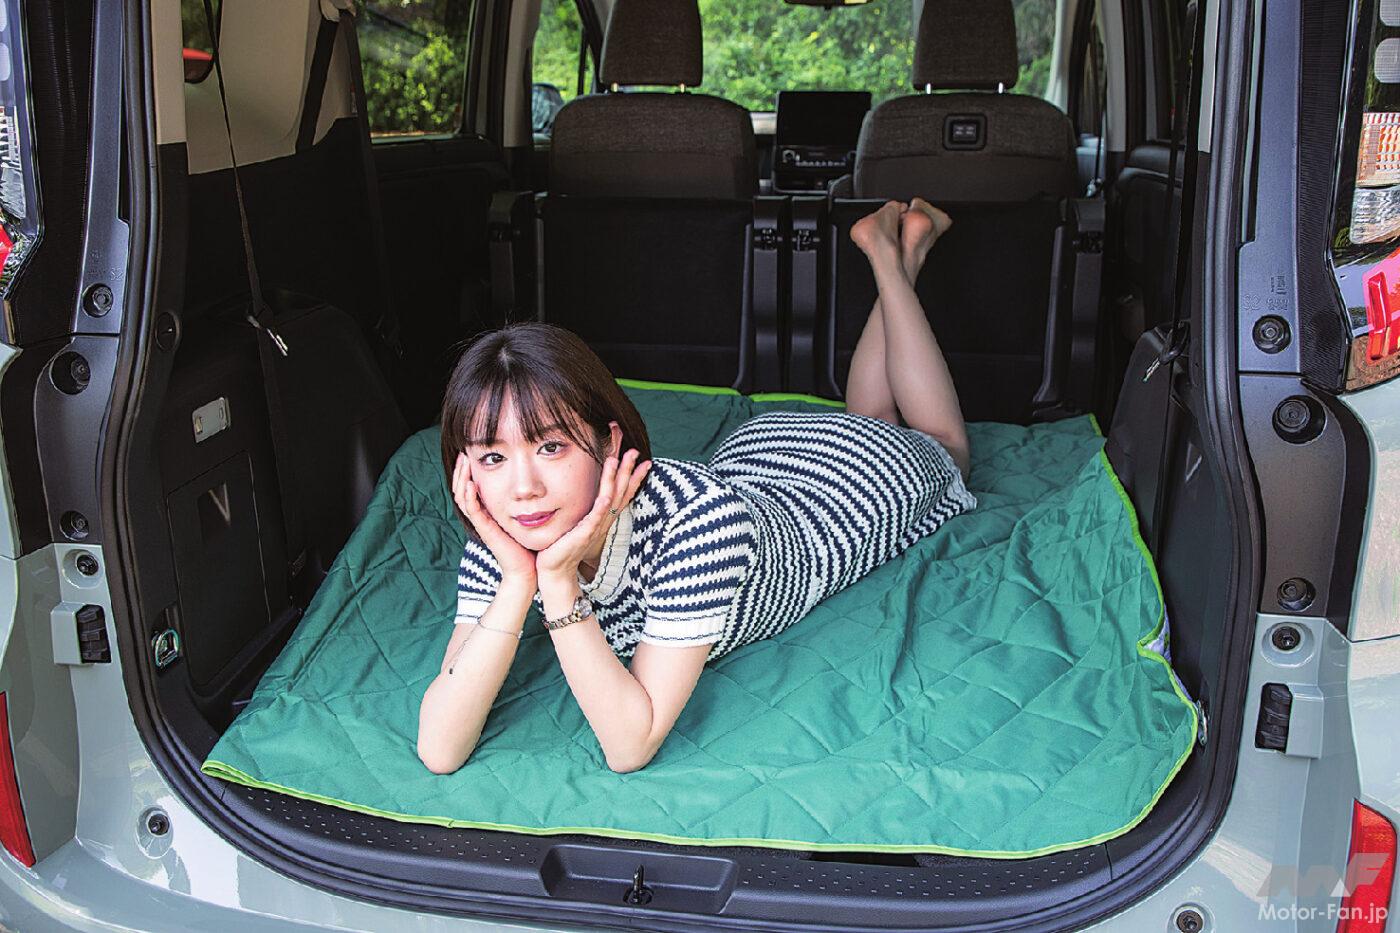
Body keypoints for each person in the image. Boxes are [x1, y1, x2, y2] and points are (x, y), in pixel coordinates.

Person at [417, 198, 976, 776]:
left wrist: (556, 584)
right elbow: (439, 748)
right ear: (466, 469)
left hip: (844, 483)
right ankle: (897, 252)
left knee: (945, 446)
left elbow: (629, 746)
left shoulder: (700, 525)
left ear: (609, 443)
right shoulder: (506, 532)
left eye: (551, 447)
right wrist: (518, 579)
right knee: (871, 413)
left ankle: (891, 258)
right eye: (493, 457)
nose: (523, 488)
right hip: (759, 452)